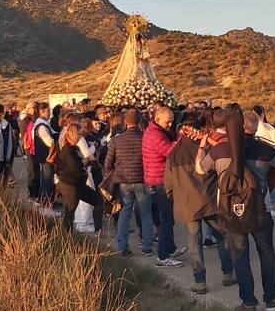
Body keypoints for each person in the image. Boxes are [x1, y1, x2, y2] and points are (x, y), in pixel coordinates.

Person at [197, 108, 275, 311]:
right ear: (256, 127)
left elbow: (201, 169)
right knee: (266, 252)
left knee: (240, 255)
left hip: (232, 210)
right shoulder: (264, 149)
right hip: (260, 207)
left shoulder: (220, 150)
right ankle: (272, 298)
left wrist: (202, 148)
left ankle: (248, 302)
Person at [166, 112, 235, 294]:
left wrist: (175, 197)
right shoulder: (207, 150)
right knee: (222, 236)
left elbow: (168, 183)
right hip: (210, 200)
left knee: (194, 243)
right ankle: (228, 273)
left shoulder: (173, 154)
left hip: (188, 205)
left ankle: (200, 282)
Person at [106, 108, 155, 257]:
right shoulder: (145, 138)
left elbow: (108, 162)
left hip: (123, 181)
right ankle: (147, 246)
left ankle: (123, 246)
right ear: (140, 121)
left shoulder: (117, 139)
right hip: (142, 179)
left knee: (125, 212)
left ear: (125, 122)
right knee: (146, 213)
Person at [143, 106, 184, 266]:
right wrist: (180, 138)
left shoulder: (155, 130)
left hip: (156, 177)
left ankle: (170, 247)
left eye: (172, 122)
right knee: (166, 219)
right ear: (158, 119)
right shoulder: (156, 135)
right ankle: (163, 255)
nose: (170, 125)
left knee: (167, 218)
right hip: (160, 180)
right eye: (168, 122)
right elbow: (170, 151)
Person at [54, 123, 103, 233]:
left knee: (99, 201)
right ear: (73, 134)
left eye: (82, 134)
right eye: (79, 134)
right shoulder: (67, 150)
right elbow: (74, 167)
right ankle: (67, 239)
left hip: (78, 183)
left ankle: (98, 230)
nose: (81, 137)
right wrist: (85, 162)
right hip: (70, 184)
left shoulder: (74, 148)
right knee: (69, 213)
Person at [27, 102, 57, 213]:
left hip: (45, 157)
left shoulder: (42, 124)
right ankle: (45, 205)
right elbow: (50, 142)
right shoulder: (41, 127)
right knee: (47, 180)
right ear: (41, 112)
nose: (49, 113)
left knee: (47, 180)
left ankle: (46, 202)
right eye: (48, 111)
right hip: (46, 157)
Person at [0, 104, 16, 184]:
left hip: (3, 157)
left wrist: (8, 156)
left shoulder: (6, 125)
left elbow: (9, 142)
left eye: (0, 115)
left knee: (3, 180)